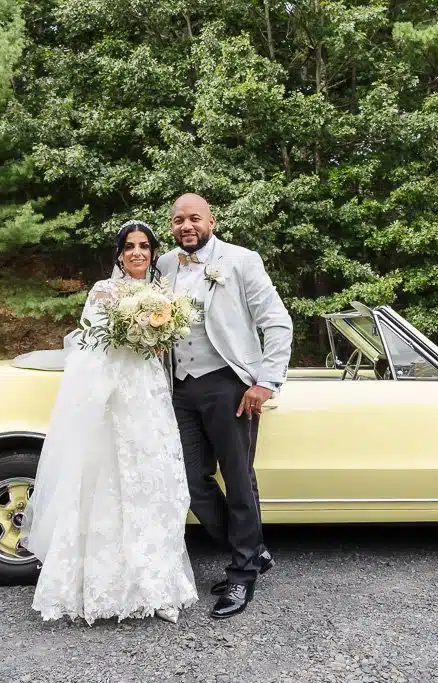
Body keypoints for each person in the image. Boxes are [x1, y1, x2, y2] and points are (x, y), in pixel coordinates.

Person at [23, 220, 198, 625]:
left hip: (151, 397)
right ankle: (99, 589)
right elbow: (88, 350)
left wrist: (153, 336)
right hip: (115, 401)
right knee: (108, 488)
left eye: (144, 246)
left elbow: (162, 348)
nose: (137, 252)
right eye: (129, 246)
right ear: (119, 253)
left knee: (154, 485)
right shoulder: (104, 291)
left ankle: (156, 586)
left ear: (153, 253)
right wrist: (131, 336)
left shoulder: (162, 295)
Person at [156, 193, 293, 619]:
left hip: (230, 385)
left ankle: (243, 572)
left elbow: (277, 320)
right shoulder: (164, 265)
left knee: (237, 476)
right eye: (178, 220)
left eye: (194, 218)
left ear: (211, 221)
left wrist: (265, 382)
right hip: (180, 387)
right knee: (191, 480)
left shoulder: (241, 260)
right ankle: (252, 551)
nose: (186, 226)